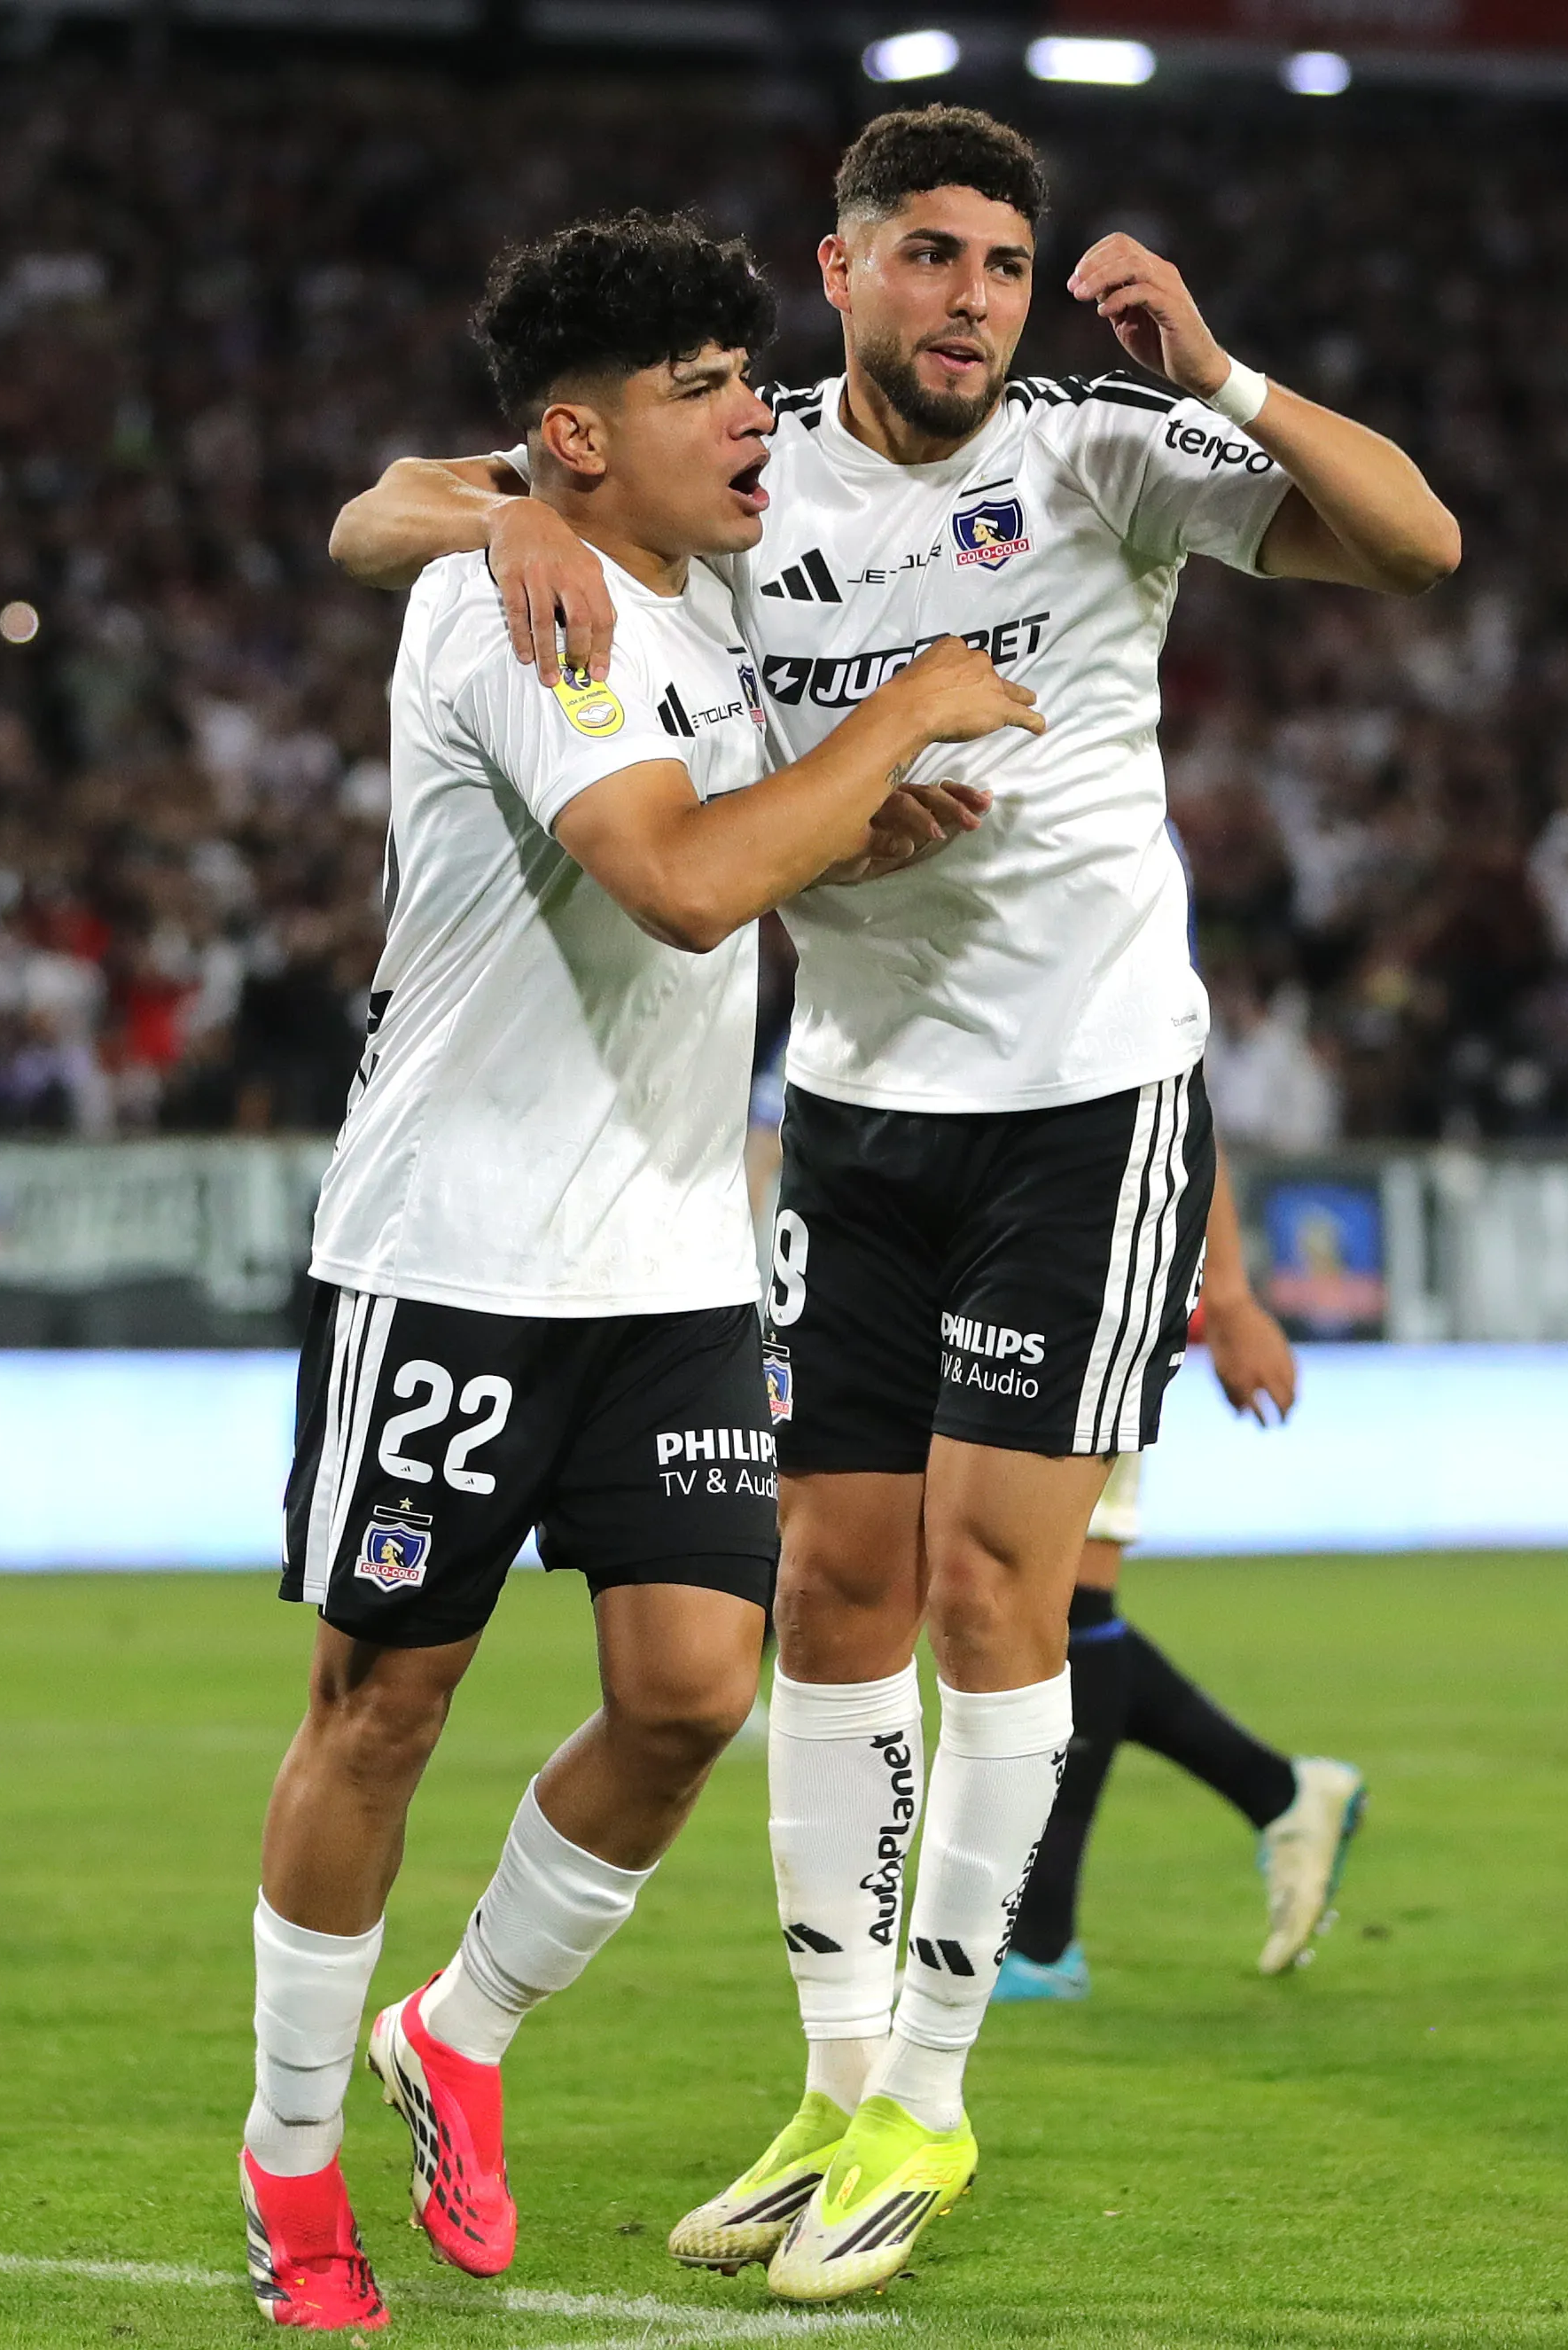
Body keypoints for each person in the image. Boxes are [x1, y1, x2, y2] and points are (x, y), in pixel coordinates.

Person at [334, 104, 1455, 2301]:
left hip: (1083, 1101)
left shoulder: (1106, 456)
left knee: (986, 1596)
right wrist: (497, 541)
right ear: (832, 269)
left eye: (1003, 269)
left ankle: (933, 2088)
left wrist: (1216, 368)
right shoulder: (746, 476)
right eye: (928, 256)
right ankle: (837, 2075)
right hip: (847, 1106)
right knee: (825, 1592)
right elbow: (381, 502)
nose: (970, 300)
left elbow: (1413, 543)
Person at [239, 211, 1037, 2332]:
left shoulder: (682, 590)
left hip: (672, 1261)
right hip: (452, 1257)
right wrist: (906, 725)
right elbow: (683, 882)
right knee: (381, 1704)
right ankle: (294, 2171)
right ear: (586, 434)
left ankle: (461, 2031)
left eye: (747, 377)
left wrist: (851, 828)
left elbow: (716, 822)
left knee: (690, 1690)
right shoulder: (523, 615)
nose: (755, 414)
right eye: (705, 387)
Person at [991, 1151, 1363, 2003]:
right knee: (1009, 1598)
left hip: (1093, 1278)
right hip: (979, 1262)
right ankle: (1281, 1791)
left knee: (1063, 1601)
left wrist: (1227, 1296)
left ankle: (1043, 1940)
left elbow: (1185, 1089)